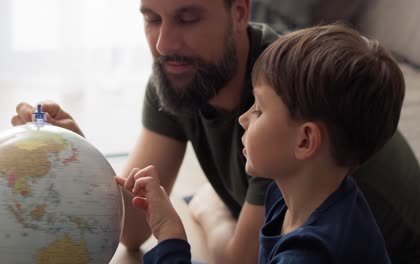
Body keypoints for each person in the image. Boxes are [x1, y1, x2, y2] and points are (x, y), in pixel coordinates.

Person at [11, 0, 420, 263]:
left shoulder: (286, 98)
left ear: (238, 12)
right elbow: (132, 228)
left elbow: (243, 261)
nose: (164, 44)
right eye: (152, 19)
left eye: (187, 18)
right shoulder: (177, 75)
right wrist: (79, 159)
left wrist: (206, 209)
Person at [116, 24, 400, 263]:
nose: (242, 118)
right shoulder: (289, 194)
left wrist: (170, 237)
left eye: (259, 110)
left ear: (305, 141)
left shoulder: (311, 254)